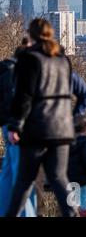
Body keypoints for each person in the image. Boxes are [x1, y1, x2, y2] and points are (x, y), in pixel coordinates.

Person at [6, 18, 77, 217]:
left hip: (37, 128)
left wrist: (15, 125)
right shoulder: (63, 59)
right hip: (62, 127)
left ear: (31, 34)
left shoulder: (30, 59)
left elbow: (24, 96)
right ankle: (71, 214)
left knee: (24, 180)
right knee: (59, 178)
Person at [0, 37, 37, 217]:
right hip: (20, 126)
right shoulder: (24, 71)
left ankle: (5, 210)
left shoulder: (5, 69)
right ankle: (25, 213)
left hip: (7, 124)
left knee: (8, 168)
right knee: (24, 173)